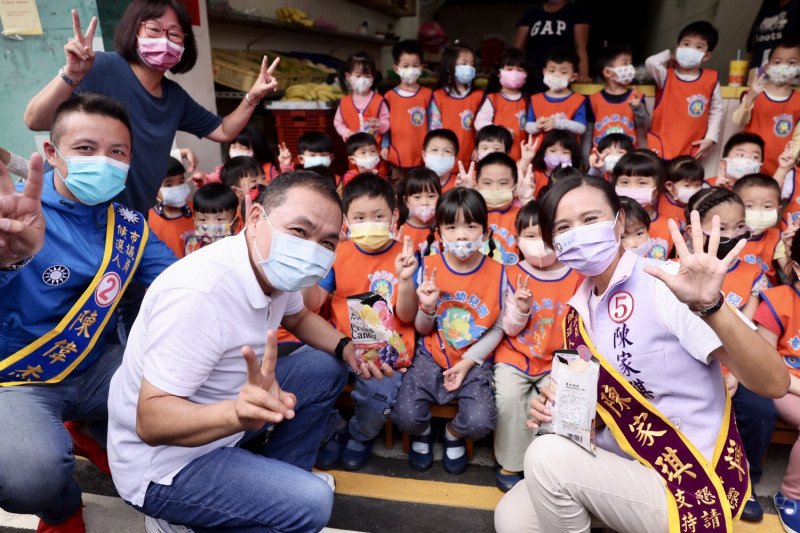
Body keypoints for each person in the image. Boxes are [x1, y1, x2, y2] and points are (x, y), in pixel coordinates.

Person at [494, 173, 789, 533]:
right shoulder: (578, 309)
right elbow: (603, 412)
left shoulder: (670, 285)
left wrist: (712, 306)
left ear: (619, 221)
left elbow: (774, 383)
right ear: (554, 242)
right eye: (564, 227)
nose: (580, 233)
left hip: (689, 481)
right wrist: (558, 409)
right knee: (513, 517)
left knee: (545, 458)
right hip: (622, 465)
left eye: (590, 220)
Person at [107, 171, 395, 533]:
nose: (311, 250)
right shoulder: (199, 296)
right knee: (312, 504)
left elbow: (301, 316)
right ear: (256, 217)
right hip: (167, 463)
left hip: (231, 416)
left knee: (326, 366)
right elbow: (150, 422)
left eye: (327, 242)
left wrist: (346, 347)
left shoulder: (270, 266)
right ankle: (184, 518)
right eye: (300, 232)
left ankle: (274, 482)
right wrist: (237, 414)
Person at [0, 93, 176, 532]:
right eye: (85, 149)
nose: (104, 161)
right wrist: (6, 260)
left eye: (117, 153)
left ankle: (93, 430)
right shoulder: (12, 215)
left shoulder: (131, 228)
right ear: (51, 154)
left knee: (194, 386)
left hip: (99, 369)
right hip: (19, 380)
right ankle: (61, 507)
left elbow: (182, 283)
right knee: (28, 480)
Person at [23, 0, 280, 215]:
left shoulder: (175, 97)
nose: (165, 40)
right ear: (134, 31)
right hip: (69, 210)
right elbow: (35, 120)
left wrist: (252, 97)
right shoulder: (100, 67)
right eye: (154, 30)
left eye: (175, 34)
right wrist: (70, 73)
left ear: (184, 44)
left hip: (128, 219)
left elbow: (223, 131)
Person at [306, 174, 417, 471]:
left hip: (387, 347)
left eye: (378, 215)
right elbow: (313, 302)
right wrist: (308, 269)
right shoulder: (337, 254)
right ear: (346, 220)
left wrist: (405, 280)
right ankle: (334, 429)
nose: (369, 222)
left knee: (378, 396)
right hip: (338, 342)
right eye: (359, 217)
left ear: (393, 215)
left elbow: (407, 316)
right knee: (305, 380)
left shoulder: (406, 256)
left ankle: (360, 434)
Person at [393, 188, 502, 475]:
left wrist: (469, 362)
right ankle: (424, 430)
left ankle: (453, 433)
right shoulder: (426, 267)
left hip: (474, 361)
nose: (462, 235)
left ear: (486, 231)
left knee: (480, 423)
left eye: (471, 226)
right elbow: (420, 327)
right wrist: (427, 309)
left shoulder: (501, 273)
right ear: (439, 234)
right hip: (430, 355)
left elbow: (499, 327)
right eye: (451, 227)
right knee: (404, 417)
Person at [493, 200, 581, 492]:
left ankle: (544, 466)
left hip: (557, 360)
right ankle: (511, 461)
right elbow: (508, 328)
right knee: (508, 399)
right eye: (530, 236)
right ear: (517, 239)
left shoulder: (576, 274)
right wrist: (520, 308)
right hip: (515, 356)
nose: (538, 244)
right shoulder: (509, 273)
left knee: (558, 405)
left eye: (545, 236)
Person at [752, 231, 800, 531]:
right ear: (796, 267)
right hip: (782, 385)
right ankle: (791, 496)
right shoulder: (778, 299)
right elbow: (762, 363)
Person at [645, 21, 722, 161]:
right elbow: (651, 62)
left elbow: (716, 111)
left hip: (691, 145)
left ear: (706, 56)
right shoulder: (665, 76)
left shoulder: (711, 79)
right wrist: (670, 55)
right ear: (677, 48)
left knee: (685, 181)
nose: (691, 49)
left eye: (699, 47)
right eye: (686, 44)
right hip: (661, 144)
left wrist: (710, 138)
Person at [685, 187, 767, 317]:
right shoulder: (675, 271)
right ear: (693, 231)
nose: (733, 236)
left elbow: (746, 329)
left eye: (740, 226)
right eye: (721, 228)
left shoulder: (755, 276)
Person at [733, 40, 800, 175]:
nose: (783, 66)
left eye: (791, 63)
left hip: (781, 168)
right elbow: (739, 121)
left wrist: (788, 163)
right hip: (750, 165)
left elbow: (798, 138)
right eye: (777, 62)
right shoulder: (753, 93)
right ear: (767, 67)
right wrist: (751, 97)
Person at [382, 40, 432, 181]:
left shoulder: (428, 95)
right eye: (406, 65)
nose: (411, 69)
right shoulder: (389, 96)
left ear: (422, 67)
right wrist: (385, 145)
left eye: (415, 65)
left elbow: (433, 125)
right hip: (397, 153)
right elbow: (385, 125)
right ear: (396, 69)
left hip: (422, 155)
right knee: (398, 187)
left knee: (419, 187)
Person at [514, 0, 590, 90]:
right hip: (534, 74)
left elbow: (580, 46)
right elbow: (518, 48)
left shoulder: (576, 10)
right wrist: (515, 72)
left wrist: (583, 75)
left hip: (562, 74)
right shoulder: (531, 13)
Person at [429, 43, 484, 169]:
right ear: (449, 67)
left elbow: (482, 128)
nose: (469, 68)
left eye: (472, 64)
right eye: (464, 63)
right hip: (443, 160)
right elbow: (435, 128)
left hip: (471, 159)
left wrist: (479, 147)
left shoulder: (479, 96)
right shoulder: (437, 96)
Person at [586, 45, 649, 153]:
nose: (630, 68)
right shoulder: (592, 100)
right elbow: (588, 133)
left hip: (628, 159)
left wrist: (638, 107)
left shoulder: (637, 97)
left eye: (630, 63)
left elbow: (644, 125)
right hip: (600, 158)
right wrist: (586, 158)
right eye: (625, 63)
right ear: (607, 72)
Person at [611, 149, 673, 258]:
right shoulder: (609, 224)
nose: (632, 188)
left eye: (642, 183)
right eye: (625, 182)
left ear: (658, 188)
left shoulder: (672, 226)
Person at [524, 47, 589, 149]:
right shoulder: (535, 99)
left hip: (567, 153)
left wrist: (557, 123)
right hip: (539, 153)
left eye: (563, 72)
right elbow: (528, 127)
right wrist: (537, 126)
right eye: (552, 70)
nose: (556, 75)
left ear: (573, 77)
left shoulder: (578, 100)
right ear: (544, 72)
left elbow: (581, 128)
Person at [475, 48, 530, 161]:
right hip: (496, 158)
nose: (514, 73)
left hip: (522, 158)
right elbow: (480, 123)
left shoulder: (529, 100)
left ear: (526, 74)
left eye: (519, 70)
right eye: (509, 69)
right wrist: (502, 131)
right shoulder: (492, 99)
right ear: (499, 73)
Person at [475, 152, 522, 265]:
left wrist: (528, 199)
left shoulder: (522, 216)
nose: (495, 189)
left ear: (515, 188)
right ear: (476, 187)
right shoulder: (470, 215)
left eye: (503, 183)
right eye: (487, 183)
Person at [335, 51, 389, 144]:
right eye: (358, 75)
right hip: (355, 153)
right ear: (348, 76)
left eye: (367, 76)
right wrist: (347, 133)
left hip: (376, 152)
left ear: (373, 77)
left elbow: (387, 122)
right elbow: (338, 123)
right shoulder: (344, 102)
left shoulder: (379, 101)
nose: (363, 80)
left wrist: (380, 125)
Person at [148, 157, 194, 258]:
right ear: (153, 188)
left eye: (181, 182)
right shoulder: (147, 221)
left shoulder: (198, 211)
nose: (177, 187)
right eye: (169, 185)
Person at [183, 183, 239, 256]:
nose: (211, 225)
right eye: (203, 220)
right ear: (195, 223)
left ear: (235, 223)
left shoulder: (239, 248)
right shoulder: (192, 247)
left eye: (219, 219)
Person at [397, 167, 442, 254]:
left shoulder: (446, 228)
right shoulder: (399, 231)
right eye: (417, 197)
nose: (424, 202)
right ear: (406, 201)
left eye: (431, 196)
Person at [748, 0, 800, 70]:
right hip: (757, 76)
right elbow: (755, 48)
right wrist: (744, 79)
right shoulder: (769, 4)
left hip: (787, 78)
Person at [530, 130, 580, 197]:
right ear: (544, 152)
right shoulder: (534, 176)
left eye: (565, 152)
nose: (558, 156)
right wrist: (526, 160)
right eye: (553, 151)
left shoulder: (576, 180)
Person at [660, 155, 704, 224]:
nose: (694, 190)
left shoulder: (699, 206)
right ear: (669, 185)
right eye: (687, 185)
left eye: (697, 185)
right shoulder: (658, 201)